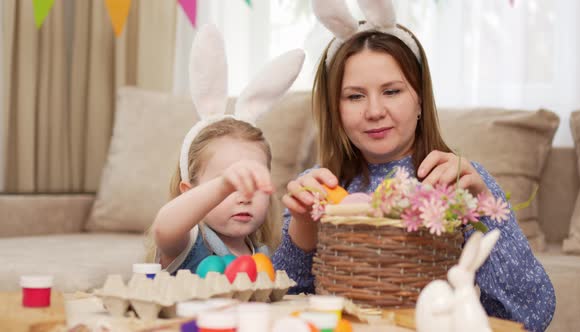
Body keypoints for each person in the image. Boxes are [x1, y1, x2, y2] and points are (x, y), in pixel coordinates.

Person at [272, 1, 555, 331]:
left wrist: (481, 210)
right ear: (335, 110)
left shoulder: (459, 182)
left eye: (392, 91)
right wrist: (304, 229)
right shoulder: (317, 187)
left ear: (420, 98)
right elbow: (283, 307)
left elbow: (533, 314)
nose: (375, 110)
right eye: (354, 96)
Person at [148, 24, 304, 273]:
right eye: (229, 183)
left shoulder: (261, 254)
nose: (243, 195)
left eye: (252, 181)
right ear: (190, 192)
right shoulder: (186, 243)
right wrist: (222, 187)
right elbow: (163, 229)